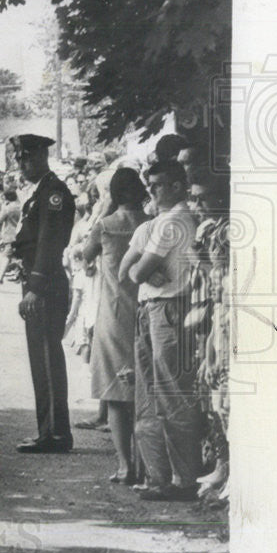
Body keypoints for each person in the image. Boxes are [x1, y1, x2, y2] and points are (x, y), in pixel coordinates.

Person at [120, 159, 201, 501]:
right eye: (149, 185)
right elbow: (131, 269)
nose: (151, 191)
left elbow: (136, 272)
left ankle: (184, 479)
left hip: (168, 307)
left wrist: (144, 270)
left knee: (170, 393)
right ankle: (162, 476)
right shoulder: (160, 221)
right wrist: (143, 270)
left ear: (177, 186)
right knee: (153, 393)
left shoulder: (172, 221)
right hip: (154, 307)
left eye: (158, 185)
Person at [82, 167, 151, 482]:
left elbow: (85, 254)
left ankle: (125, 466)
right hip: (145, 312)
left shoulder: (105, 227)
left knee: (114, 394)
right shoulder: (151, 224)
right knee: (144, 392)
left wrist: (105, 210)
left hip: (112, 313)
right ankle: (147, 463)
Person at [10, 133, 76, 453]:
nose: (21, 164)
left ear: (42, 157)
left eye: (26, 158)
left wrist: (34, 287)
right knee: (41, 357)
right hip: (40, 281)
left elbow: (50, 242)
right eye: (19, 158)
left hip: (46, 286)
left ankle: (55, 435)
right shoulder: (40, 193)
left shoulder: (53, 193)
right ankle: (50, 431)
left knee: (47, 358)